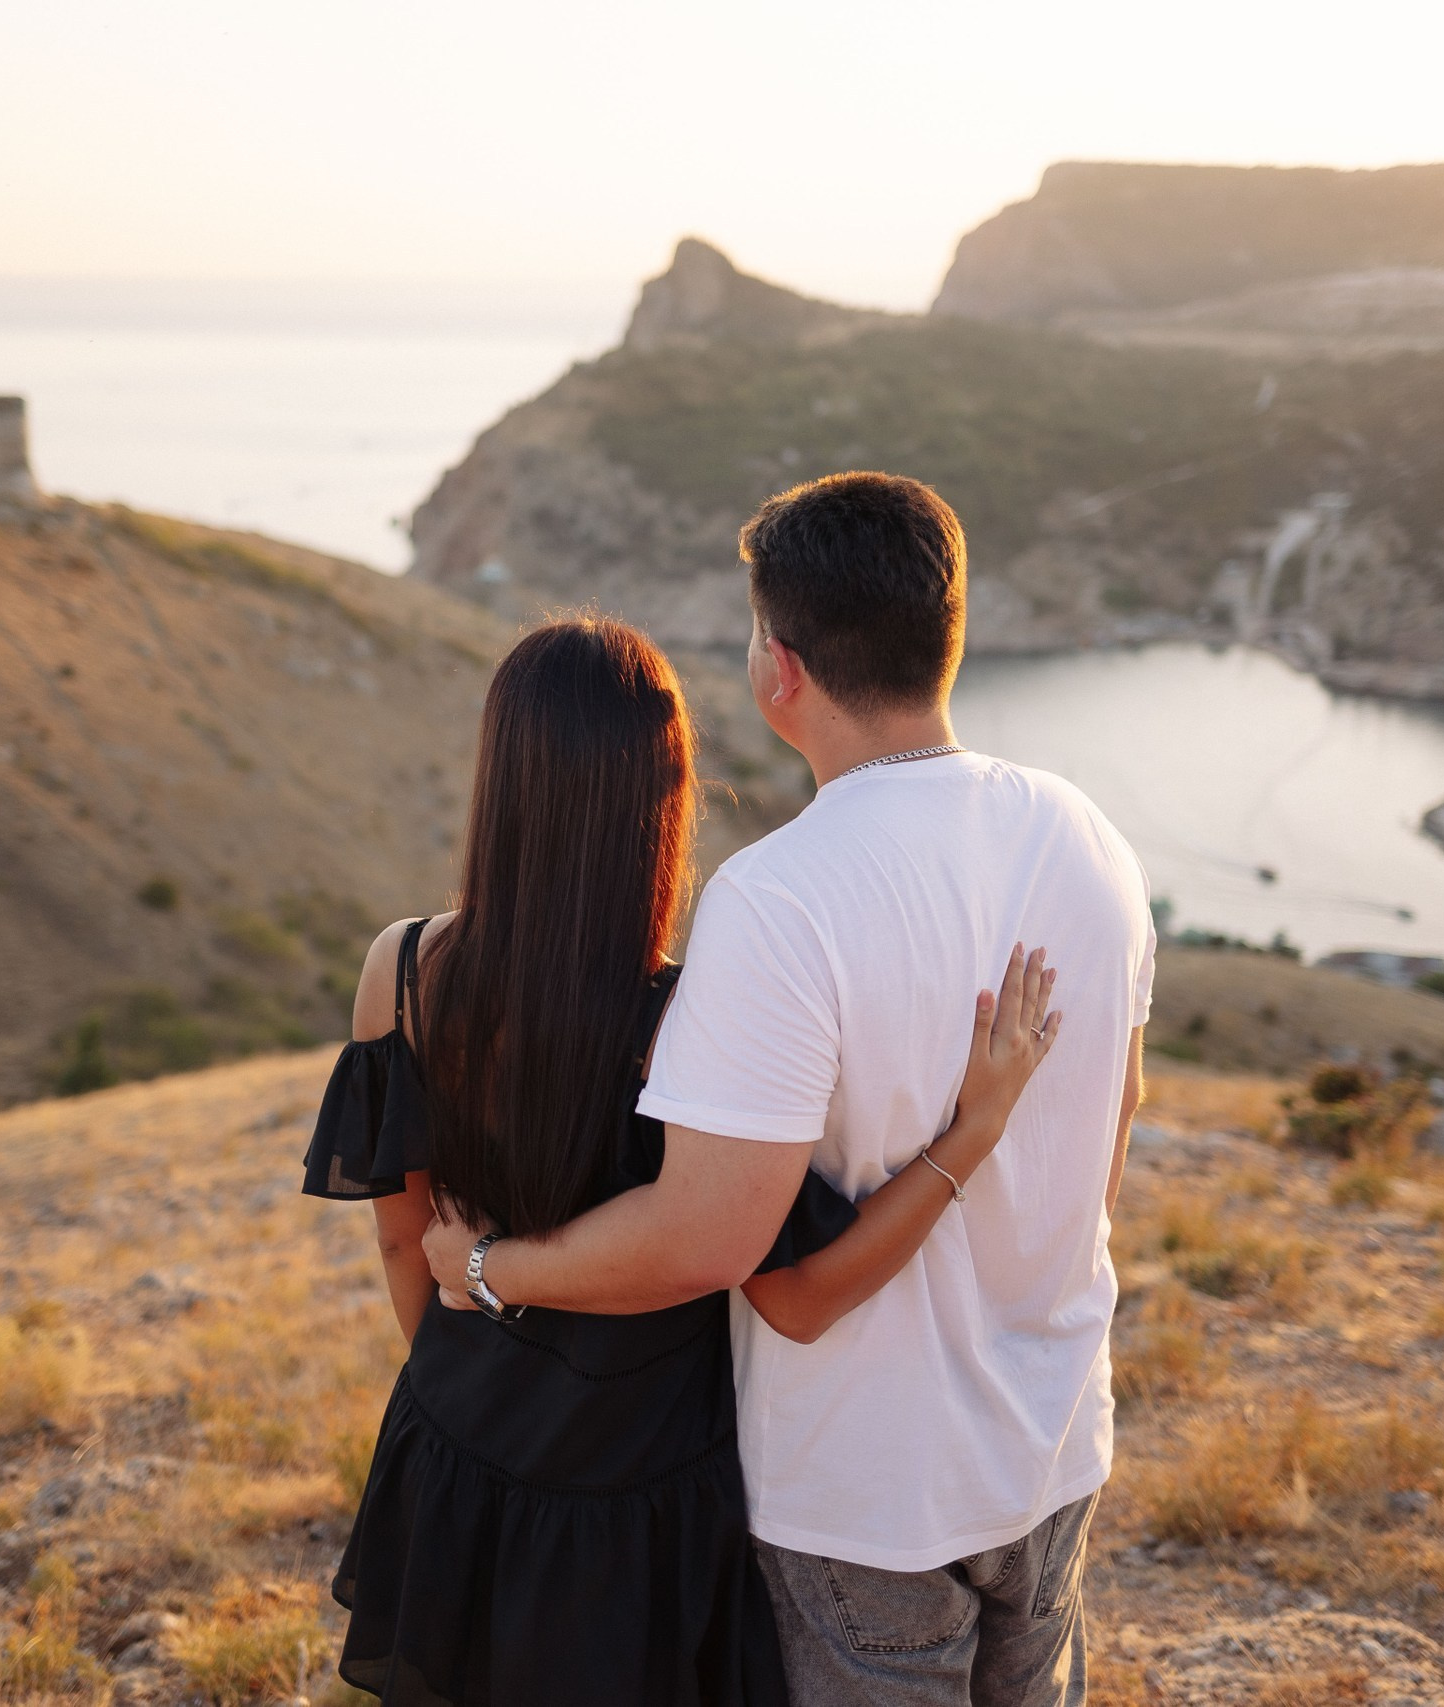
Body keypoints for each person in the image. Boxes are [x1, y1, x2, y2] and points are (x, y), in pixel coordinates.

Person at [424, 474, 1156, 1707]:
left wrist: (491, 1270)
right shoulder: (1088, 835)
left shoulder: (779, 897)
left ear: (778, 664)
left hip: (863, 1489)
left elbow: (713, 1237)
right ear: (949, 635)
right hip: (1050, 1442)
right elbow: (1113, 1127)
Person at [302, 614, 1064, 1706]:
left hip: (456, 1451)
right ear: (662, 799)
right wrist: (970, 1136)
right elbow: (807, 1284)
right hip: (641, 1501)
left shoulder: (405, 968)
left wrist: (480, 1388)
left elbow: (398, 1236)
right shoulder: (689, 1020)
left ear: (503, 777)